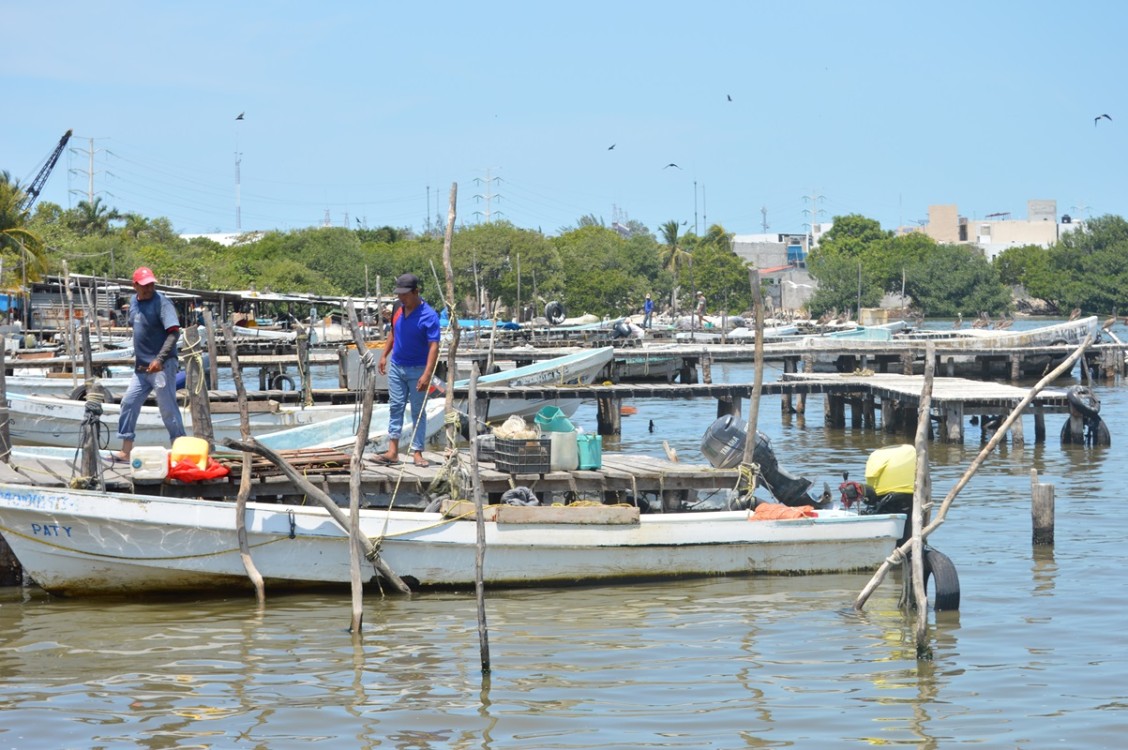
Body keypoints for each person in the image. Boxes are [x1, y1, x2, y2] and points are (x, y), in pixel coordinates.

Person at [111, 267, 185, 462]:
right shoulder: (134, 302)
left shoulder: (162, 302)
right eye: (144, 285)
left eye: (151, 284)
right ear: (134, 286)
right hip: (141, 368)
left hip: (162, 366)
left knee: (167, 408)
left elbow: (174, 333)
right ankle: (126, 451)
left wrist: (159, 359)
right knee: (128, 402)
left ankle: (180, 451)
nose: (149, 288)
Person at [375, 273, 441, 467]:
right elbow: (393, 333)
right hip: (397, 366)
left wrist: (427, 374)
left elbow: (434, 347)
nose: (401, 298)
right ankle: (393, 451)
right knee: (395, 407)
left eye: (405, 295)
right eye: (399, 295)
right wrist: (384, 355)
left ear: (416, 292)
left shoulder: (429, 315)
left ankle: (418, 452)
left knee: (418, 411)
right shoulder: (397, 309)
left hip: (418, 369)